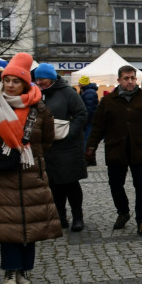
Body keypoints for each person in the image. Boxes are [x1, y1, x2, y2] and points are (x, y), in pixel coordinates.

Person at [0, 52, 63, 284]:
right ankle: (10, 272)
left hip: (31, 172)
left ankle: (25, 271)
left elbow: (47, 140)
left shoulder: (40, 109)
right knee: (8, 226)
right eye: (7, 80)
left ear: (25, 82)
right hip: (3, 175)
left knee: (31, 224)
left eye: (16, 81)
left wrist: (28, 157)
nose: (11, 85)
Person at [85, 65, 142, 237]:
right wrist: (91, 146)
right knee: (115, 185)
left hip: (141, 149)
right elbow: (98, 126)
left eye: (132, 78)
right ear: (119, 80)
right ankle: (123, 212)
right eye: (126, 78)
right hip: (117, 150)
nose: (130, 82)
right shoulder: (108, 101)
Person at [33, 63, 89, 232]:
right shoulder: (37, 94)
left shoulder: (68, 93)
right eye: (37, 79)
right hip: (49, 147)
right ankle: (60, 216)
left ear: (51, 78)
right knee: (54, 184)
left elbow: (82, 114)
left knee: (71, 183)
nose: (39, 82)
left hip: (68, 147)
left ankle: (77, 217)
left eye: (42, 79)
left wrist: (70, 133)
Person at [78, 75, 99, 144]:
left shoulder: (89, 92)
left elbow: (89, 108)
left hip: (89, 119)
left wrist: (85, 119)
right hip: (89, 118)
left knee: (87, 138)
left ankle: (86, 151)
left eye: (79, 83)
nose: (78, 84)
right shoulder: (87, 91)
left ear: (83, 83)